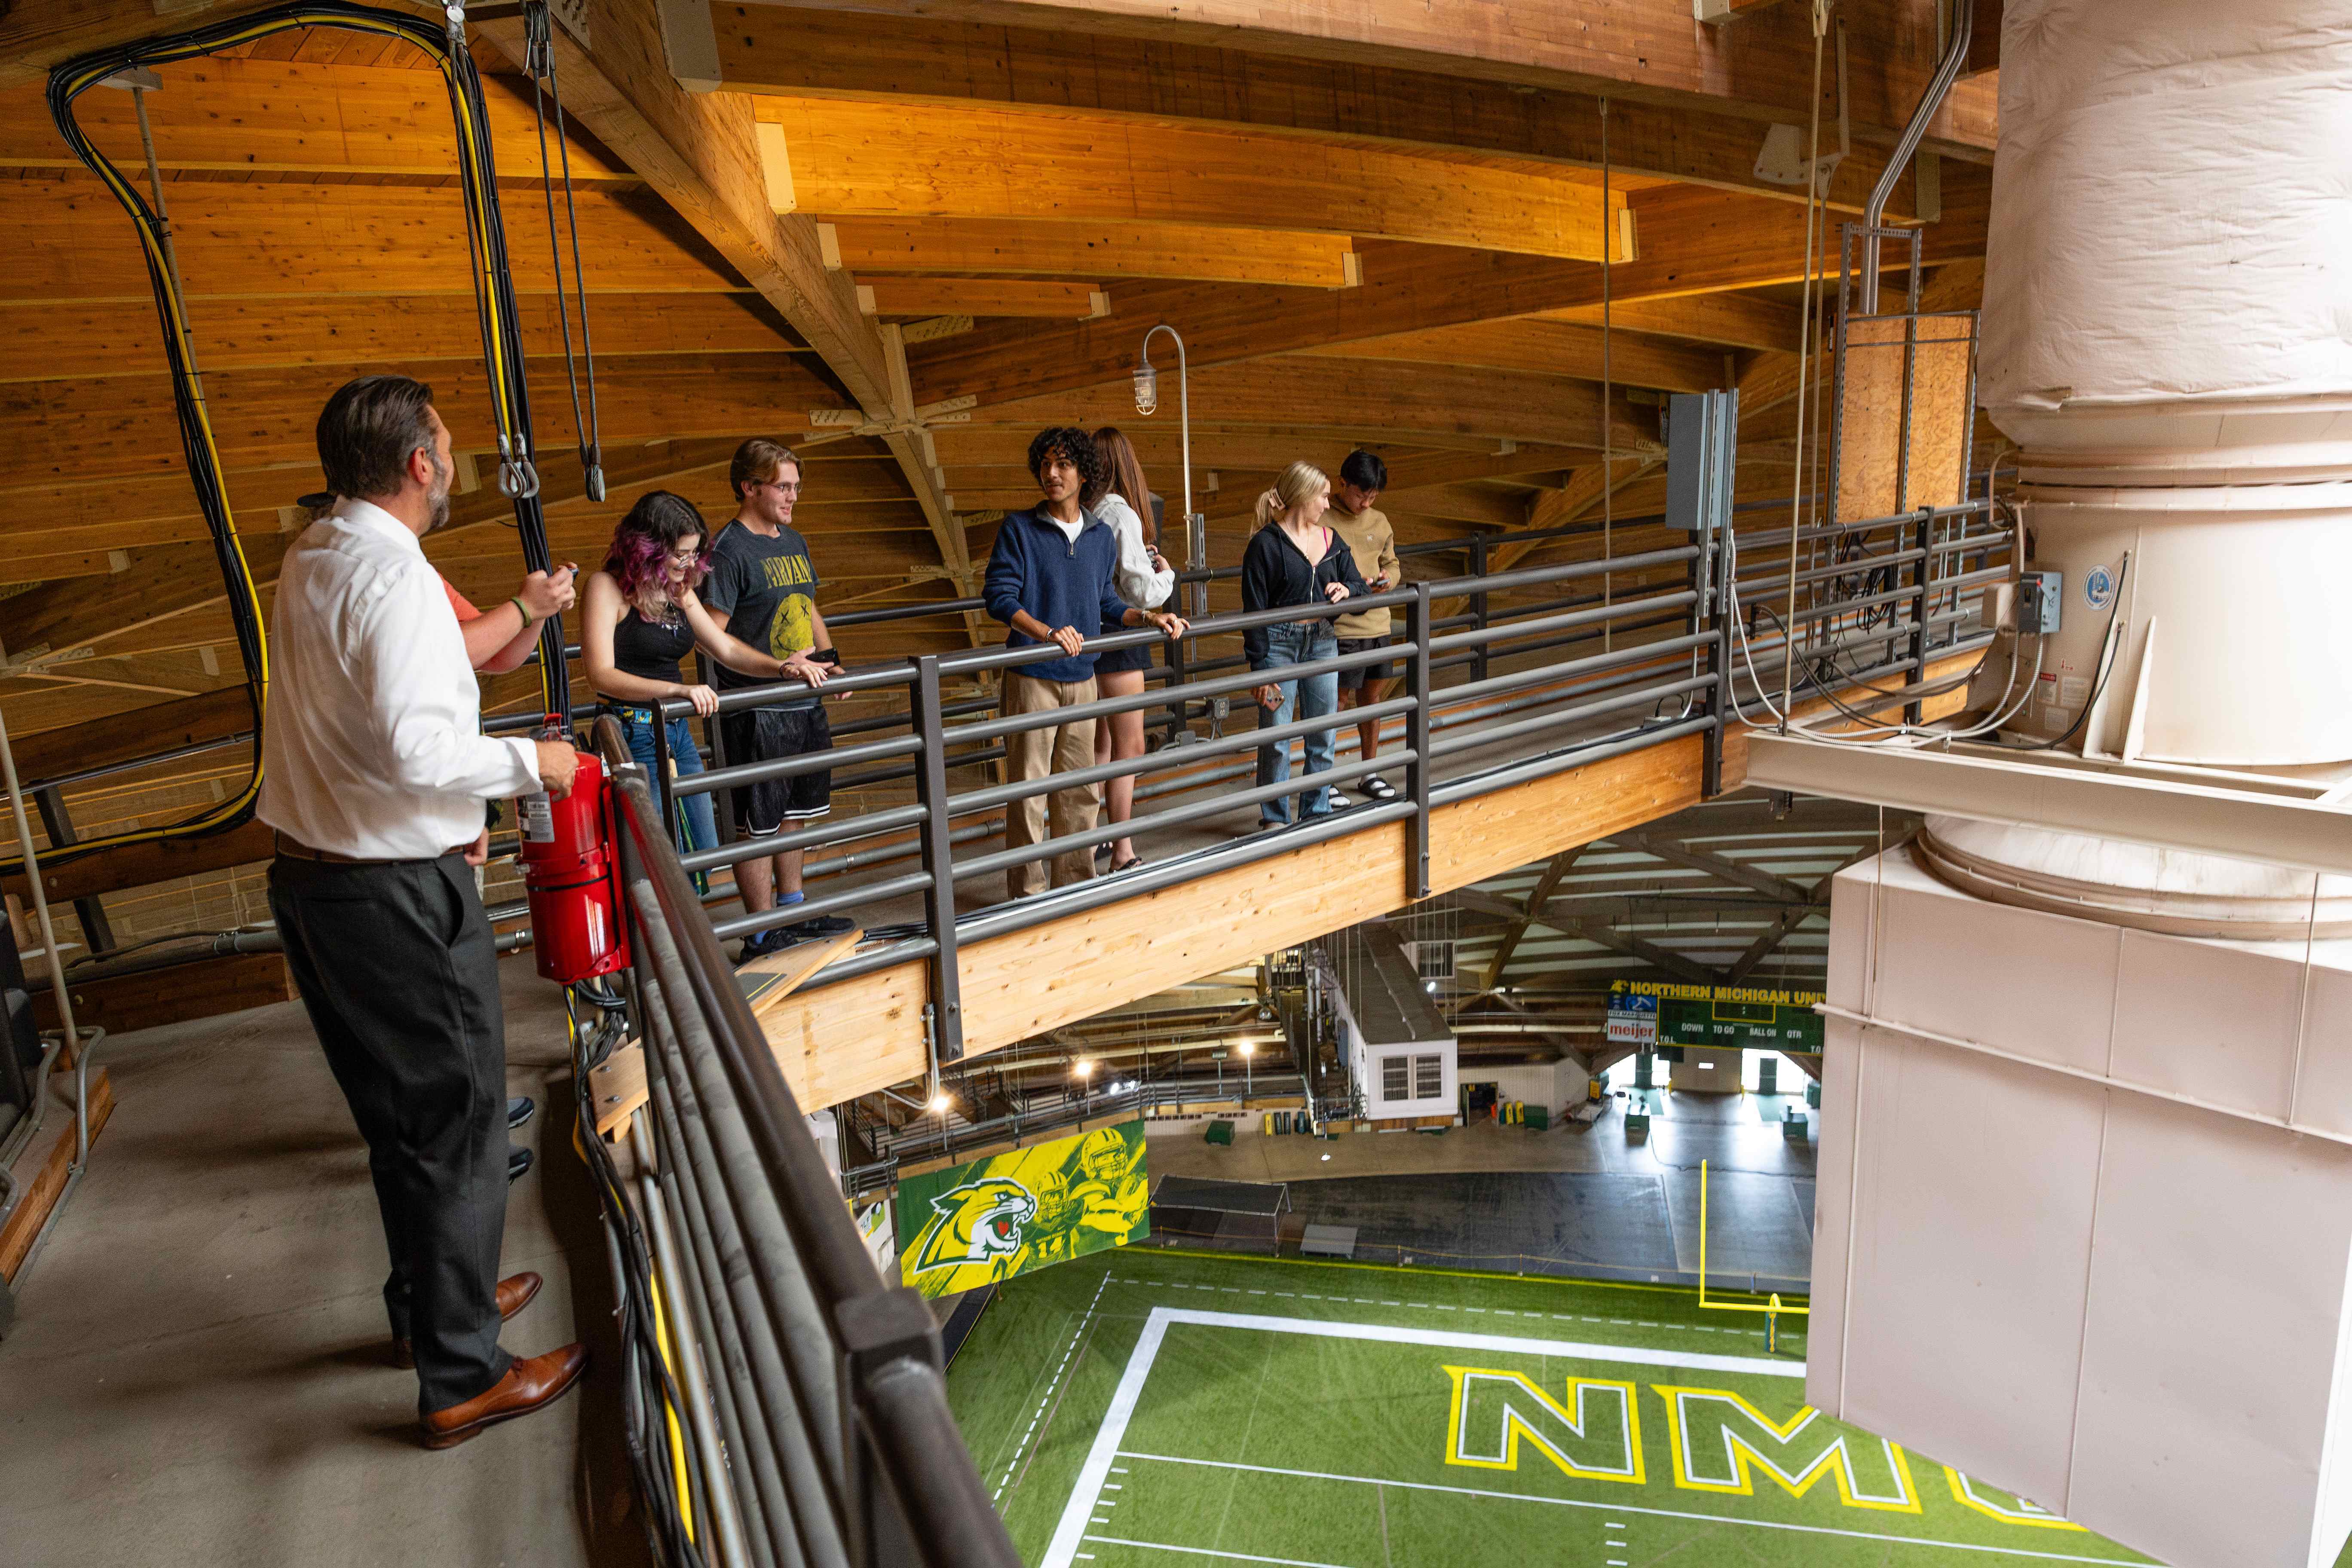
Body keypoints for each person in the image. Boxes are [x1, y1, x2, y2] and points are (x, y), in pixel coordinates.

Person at [260, 374, 588, 1449]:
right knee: (455, 1125)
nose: (454, 463)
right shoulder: (393, 578)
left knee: (401, 1125)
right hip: (392, 892)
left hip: (315, 882)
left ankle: (431, 1307)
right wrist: (534, 764)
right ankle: (461, 1376)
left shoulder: (314, 554)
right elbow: (416, 745)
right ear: (419, 464)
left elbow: (375, 715)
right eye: (447, 446)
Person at [982, 427, 1188, 901]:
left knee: (1079, 790)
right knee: (1029, 792)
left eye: (1064, 465)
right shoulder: (1020, 529)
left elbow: (1105, 602)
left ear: (1083, 473)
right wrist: (1047, 634)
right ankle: (1028, 894)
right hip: (1033, 677)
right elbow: (999, 598)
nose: (1052, 474)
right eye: (1045, 465)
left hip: (1083, 677)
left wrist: (1150, 617)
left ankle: (1075, 884)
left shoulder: (1098, 535)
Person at [581, 490, 830, 863]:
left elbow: (724, 648)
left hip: (675, 731)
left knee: (702, 848)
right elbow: (600, 675)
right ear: (647, 547)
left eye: (695, 553)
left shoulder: (678, 588)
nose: (689, 563)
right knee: (654, 856)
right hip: (631, 731)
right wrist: (678, 690)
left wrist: (781, 668)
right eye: (680, 554)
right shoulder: (606, 587)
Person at [702, 439, 852, 959]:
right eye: (783, 486)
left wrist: (832, 660)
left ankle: (793, 910)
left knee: (794, 812)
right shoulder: (728, 551)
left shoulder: (793, 541)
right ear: (750, 487)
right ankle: (761, 934)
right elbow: (713, 636)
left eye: (796, 486)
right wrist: (776, 668)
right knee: (756, 824)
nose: (793, 496)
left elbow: (807, 605)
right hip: (756, 707)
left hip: (803, 699)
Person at [1241, 460, 1367, 828]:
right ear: (1303, 496)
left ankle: (1316, 811)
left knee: (1323, 734)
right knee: (1277, 737)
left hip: (1323, 644)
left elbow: (1358, 585)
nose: (1328, 505)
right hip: (1278, 647)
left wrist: (1348, 589)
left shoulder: (1332, 542)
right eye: (1324, 497)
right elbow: (1254, 612)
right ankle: (1275, 818)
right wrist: (1260, 669)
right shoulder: (1265, 544)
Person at [1082, 426, 1176, 874]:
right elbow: (1141, 590)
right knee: (1130, 746)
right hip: (1122, 636)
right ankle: (1122, 851)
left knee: (1100, 743)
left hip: (1091, 635)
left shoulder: (1087, 509)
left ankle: (1091, 845)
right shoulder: (1122, 512)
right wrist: (1167, 575)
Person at [1325, 450, 1402, 802]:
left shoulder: (1381, 521)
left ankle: (1368, 772)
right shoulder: (1324, 519)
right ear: (1343, 484)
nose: (1365, 503)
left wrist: (1389, 579)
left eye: (1372, 497)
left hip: (1378, 623)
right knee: (1336, 702)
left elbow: (1393, 564)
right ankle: (1323, 779)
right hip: (1343, 629)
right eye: (1360, 495)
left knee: (1372, 700)